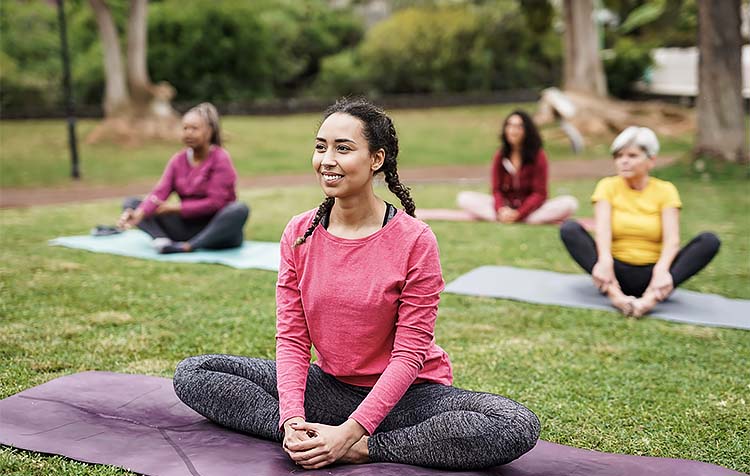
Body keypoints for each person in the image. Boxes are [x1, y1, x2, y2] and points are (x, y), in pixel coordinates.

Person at [173, 98, 540, 470]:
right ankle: (308, 438)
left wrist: (353, 437)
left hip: (406, 397)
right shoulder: (299, 233)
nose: (327, 160)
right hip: (330, 388)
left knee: (512, 424)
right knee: (194, 373)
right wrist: (290, 420)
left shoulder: (415, 240)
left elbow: (409, 355)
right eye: (320, 147)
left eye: (343, 148)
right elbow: (292, 338)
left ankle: (362, 446)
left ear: (376, 159)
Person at [560, 126, 720, 317]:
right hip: (614, 271)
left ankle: (650, 300)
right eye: (619, 156)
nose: (624, 161)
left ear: (651, 160)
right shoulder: (607, 186)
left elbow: (672, 240)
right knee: (569, 229)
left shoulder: (666, 190)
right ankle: (616, 297)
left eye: (632, 155)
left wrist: (661, 271)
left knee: (709, 240)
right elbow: (602, 231)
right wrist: (604, 262)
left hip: (654, 274)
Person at [118, 102, 249, 254]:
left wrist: (175, 208)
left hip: (216, 231)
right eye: (185, 128)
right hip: (185, 227)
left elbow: (216, 203)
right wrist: (139, 213)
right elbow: (159, 193)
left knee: (239, 209)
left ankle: (188, 247)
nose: (188, 133)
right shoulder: (178, 160)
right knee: (132, 203)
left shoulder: (220, 158)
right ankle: (163, 242)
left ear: (210, 131)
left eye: (194, 128)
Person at [456, 110, 578, 224]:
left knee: (569, 203)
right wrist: (501, 209)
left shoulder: (538, 156)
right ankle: (506, 217)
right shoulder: (500, 155)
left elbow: (540, 193)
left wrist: (519, 213)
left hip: (531, 209)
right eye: (509, 126)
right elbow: (496, 190)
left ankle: (517, 218)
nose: (513, 130)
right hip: (505, 206)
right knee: (464, 198)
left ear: (527, 130)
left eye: (518, 126)